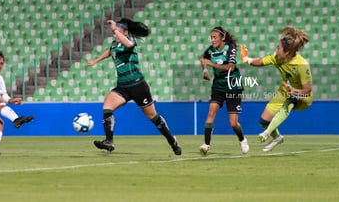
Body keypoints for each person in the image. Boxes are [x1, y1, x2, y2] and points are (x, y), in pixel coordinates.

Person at [87, 18, 182, 155]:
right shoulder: (115, 44)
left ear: (125, 32)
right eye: (114, 33)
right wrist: (95, 60)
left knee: (153, 117)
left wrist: (115, 28)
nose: (115, 34)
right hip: (123, 86)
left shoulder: (130, 40)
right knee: (107, 108)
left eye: (118, 32)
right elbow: (110, 51)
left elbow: (128, 45)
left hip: (138, 85)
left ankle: (171, 140)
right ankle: (109, 141)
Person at [241, 26, 313, 151]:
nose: (276, 50)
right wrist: (247, 59)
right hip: (285, 90)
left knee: (290, 101)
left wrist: (294, 91)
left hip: (303, 96)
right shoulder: (277, 58)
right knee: (263, 121)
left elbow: (307, 89)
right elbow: (261, 61)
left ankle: (267, 133)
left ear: (287, 52)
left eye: (278, 48)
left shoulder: (301, 65)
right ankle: (277, 138)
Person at [199, 26, 249, 155]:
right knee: (211, 112)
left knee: (233, 123)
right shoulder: (210, 50)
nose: (213, 40)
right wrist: (205, 70)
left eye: (215, 37)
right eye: (211, 37)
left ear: (223, 37)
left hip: (233, 86)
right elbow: (202, 58)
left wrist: (210, 64)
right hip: (218, 87)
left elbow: (230, 68)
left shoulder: (231, 47)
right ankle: (206, 145)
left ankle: (242, 139)